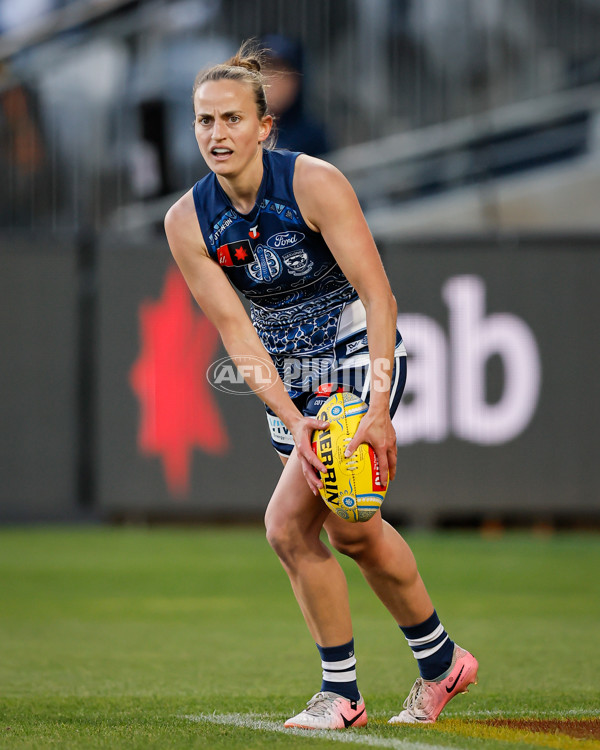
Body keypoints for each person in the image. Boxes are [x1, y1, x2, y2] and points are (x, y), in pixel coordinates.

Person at [164, 40, 478, 730]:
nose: (217, 135)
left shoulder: (314, 183)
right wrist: (290, 414)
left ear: (264, 126)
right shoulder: (187, 222)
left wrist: (377, 408)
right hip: (289, 369)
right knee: (351, 531)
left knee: (285, 526)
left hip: (351, 343)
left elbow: (378, 293)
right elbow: (238, 336)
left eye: (231, 120)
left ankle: (343, 694)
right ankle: (443, 663)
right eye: (203, 121)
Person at [259, 34, 331, 156]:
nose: (272, 81)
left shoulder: (311, 136)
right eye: (266, 69)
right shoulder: (238, 127)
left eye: (282, 73)